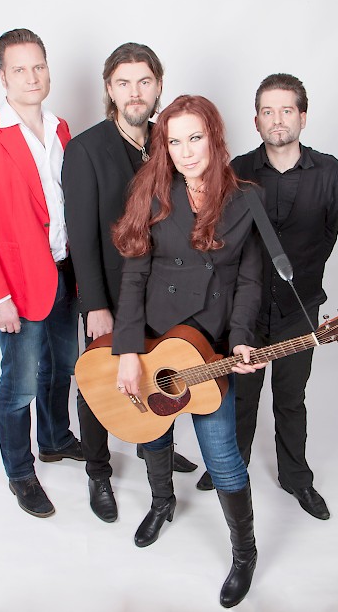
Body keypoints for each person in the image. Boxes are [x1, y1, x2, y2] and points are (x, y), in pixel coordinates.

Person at [111, 95, 267, 608]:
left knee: (222, 457)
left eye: (195, 138)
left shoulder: (246, 199)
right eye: (174, 141)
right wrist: (128, 351)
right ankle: (162, 503)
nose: (185, 151)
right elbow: (134, 277)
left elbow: (249, 279)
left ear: (214, 138)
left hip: (213, 344)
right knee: (154, 434)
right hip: (156, 340)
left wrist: (240, 338)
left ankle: (244, 552)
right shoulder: (151, 192)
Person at [196, 74, 338, 521]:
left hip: (300, 307)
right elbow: (224, 237)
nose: (277, 119)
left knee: (290, 397)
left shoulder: (330, 172)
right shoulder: (236, 170)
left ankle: (296, 478)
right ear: (256, 121)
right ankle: (229, 464)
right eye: (267, 111)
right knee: (241, 395)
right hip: (245, 308)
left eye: (286, 110)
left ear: (303, 116)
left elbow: (328, 235)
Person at [62, 43, 197, 525]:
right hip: (111, 294)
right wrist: (94, 304)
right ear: (109, 89)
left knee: (158, 370)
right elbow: (81, 236)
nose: (135, 92)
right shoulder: (85, 149)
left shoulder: (169, 140)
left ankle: (153, 445)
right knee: (97, 381)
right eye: (124, 82)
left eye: (144, 81)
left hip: (165, 293)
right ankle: (98, 470)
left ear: (158, 86)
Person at [0, 28, 82, 519]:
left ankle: (54, 439)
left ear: (48, 70)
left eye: (39, 67)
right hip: (17, 284)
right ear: (3, 76)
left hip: (65, 273)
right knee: (21, 383)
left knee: (62, 367)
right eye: (20, 69)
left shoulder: (62, 128)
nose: (32, 77)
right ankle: (20, 472)